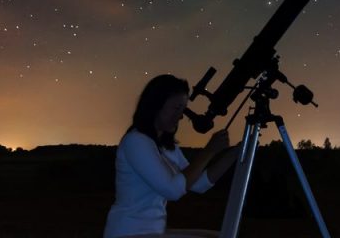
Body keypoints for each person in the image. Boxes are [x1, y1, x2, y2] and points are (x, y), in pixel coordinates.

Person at [103, 74, 240, 238]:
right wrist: (209, 151)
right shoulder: (136, 141)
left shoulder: (167, 146)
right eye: (176, 108)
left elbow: (200, 184)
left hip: (153, 231)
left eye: (182, 110)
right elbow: (173, 190)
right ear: (156, 105)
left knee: (223, 235)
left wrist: (235, 153)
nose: (180, 116)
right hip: (128, 232)